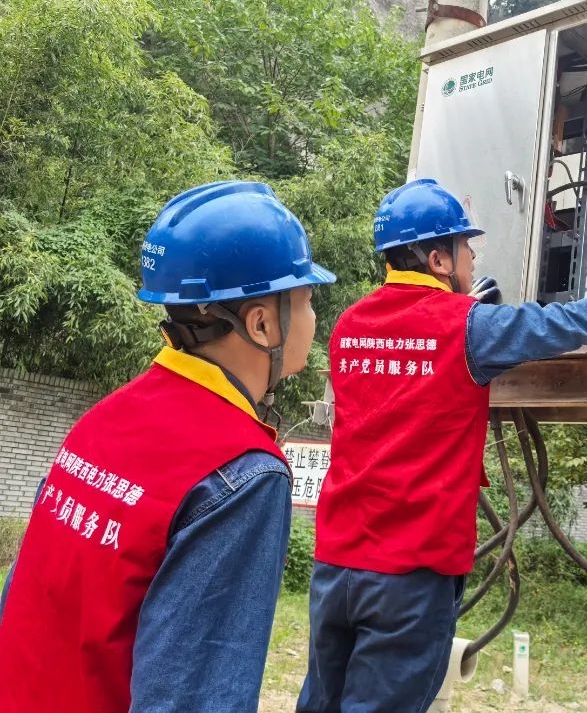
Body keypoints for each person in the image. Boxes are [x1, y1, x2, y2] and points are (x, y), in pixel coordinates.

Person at [298, 177, 587, 713]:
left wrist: (469, 314)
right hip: (410, 575)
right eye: (466, 246)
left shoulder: (349, 325)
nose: (474, 257)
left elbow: (403, 378)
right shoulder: (469, 328)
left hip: (336, 566)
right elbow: (569, 322)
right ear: (438, 259)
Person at [0, 181, 336, 713]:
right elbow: (194, 697)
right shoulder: (244, 473)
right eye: (307, 299)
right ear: (262, 323)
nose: (314, 318)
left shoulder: (105, 418)